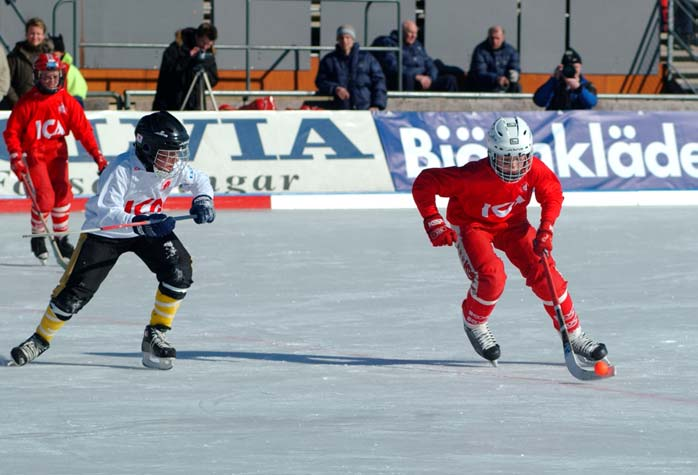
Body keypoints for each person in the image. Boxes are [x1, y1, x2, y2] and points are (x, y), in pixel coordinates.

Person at [9, 110, 216, 370]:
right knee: (75, 293)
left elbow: (200, 180)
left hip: (147, 230)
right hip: (106, 233)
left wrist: (203, 200)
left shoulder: (172, 167)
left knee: (179, 271)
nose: (175, 161)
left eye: (178, 154)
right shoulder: (121, 169)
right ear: (148, 148)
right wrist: (143, 223)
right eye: (169, 153)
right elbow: (108, 213)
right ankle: (40, 338)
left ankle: (156, 333)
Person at [411, 116, 608, 366]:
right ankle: (475, 321)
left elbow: (552, 194)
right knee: (492, 276)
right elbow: (425, 182)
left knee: (546, 272)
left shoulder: (535, 169)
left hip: (514, 226)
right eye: (506, 158)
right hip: (473, 225)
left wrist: (546, 228)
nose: (514, 166)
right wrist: (433, 220)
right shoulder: (472, 176)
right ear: (493, 155)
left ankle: (574, 334)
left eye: (520, 158)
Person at [3, 53, 107, 262]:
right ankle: (38, 235)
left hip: (57, 154)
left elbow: (84, 132)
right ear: (37, 77)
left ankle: (61, 238)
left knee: (62, 194)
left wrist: (98, 156)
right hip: (35, 155)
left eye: (55, 76)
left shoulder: (67, 102)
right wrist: (16, 156)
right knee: (45, 198)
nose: (50, 80)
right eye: (45, 76)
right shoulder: (27, 102)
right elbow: (12, 132)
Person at [371, 20, 458, 92]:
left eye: (416, 33)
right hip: (408, 81)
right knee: (407, 79)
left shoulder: (418, 45)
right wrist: (415, 76)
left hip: (424, 80)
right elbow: (393, 66)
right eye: (411, 33)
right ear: (403, 32)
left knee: (450, 80)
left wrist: (430, 78)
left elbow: (429, 62)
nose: (414, 36)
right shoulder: (390, 44)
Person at [315, 24, 387, 111]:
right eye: (341, 38)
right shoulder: (329, 60)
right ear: (337, 40)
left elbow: (379, 82)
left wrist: (377, 105)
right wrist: (335, 88)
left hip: (365, 109)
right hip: (340, 110)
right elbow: (320, 81)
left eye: (347, 37)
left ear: (353, 39)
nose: (344, 41)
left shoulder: (367, 59)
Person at [152, 23, 219, 111]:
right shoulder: (176, 49)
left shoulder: (207, 53)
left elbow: (213, 79)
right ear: (197, 37)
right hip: (172, 102)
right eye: (203, 43)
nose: (205, 47)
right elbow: (169, 74)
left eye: (209, 45)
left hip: (195, 102)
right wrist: (188, 58)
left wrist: (202, 72)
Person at [1, 17, 53, 110]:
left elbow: (55, 80)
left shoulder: (50, 57)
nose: (35, 37)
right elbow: (7, 82)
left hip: (43, 106)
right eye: (32, 33)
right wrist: (17, 103)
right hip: (18, 107)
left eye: (38, 34)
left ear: (43, 35)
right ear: (26, 34)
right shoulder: (15, 57)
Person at [533, 48, 597, 110]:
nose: (573, 70)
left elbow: (591, 103)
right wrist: (553, 79)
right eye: (569, 67)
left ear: (580, 67)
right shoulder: (555, 84)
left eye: (575, 67)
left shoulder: (586, 85)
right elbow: (539, 102)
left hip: (578, 120)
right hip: (557, 120)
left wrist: (578, 88)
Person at [467, 25, 521, 93]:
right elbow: (479, 73)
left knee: (517, 87)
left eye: (497, 38)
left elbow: (515, 66)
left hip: (505, 84)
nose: (494, 41)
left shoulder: (511, 51)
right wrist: (496, 79)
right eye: (492, 38)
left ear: (503, 38)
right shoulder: (480, 50)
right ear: (488, 37)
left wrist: (514, 75)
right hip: (484, 86)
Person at [50, 34, 88, 108]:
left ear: (61, 53)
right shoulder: (42, 69)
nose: (52, 54)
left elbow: (78, 92)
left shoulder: (70, 69)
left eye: (55, 51)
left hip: (69, 103)